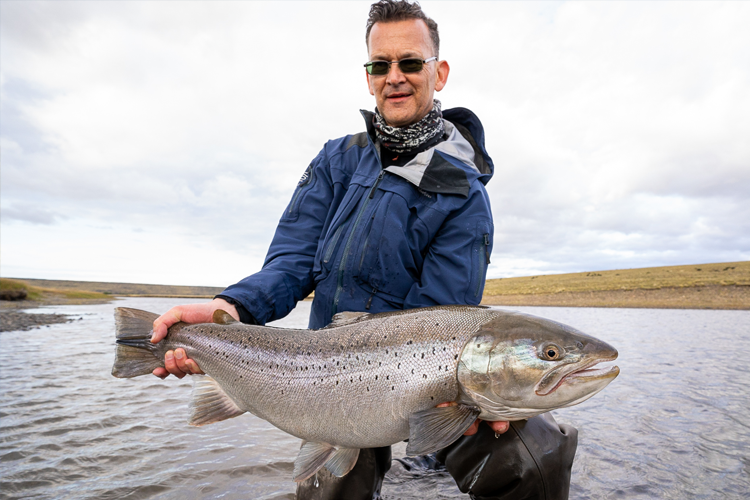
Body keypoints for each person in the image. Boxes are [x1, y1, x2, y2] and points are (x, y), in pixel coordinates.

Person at [150, 2, 578, 499]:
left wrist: (491, 400)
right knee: (328, 490)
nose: (394, 77)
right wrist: (229, 309)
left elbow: (443, 314)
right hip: (326, 373)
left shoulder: (464, 193)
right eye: (381, 65)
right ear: (369, 76)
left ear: (438, 73)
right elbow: (291, 263)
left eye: (410, 63)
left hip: (430, 379)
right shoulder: (337, 159)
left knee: (537, 455)